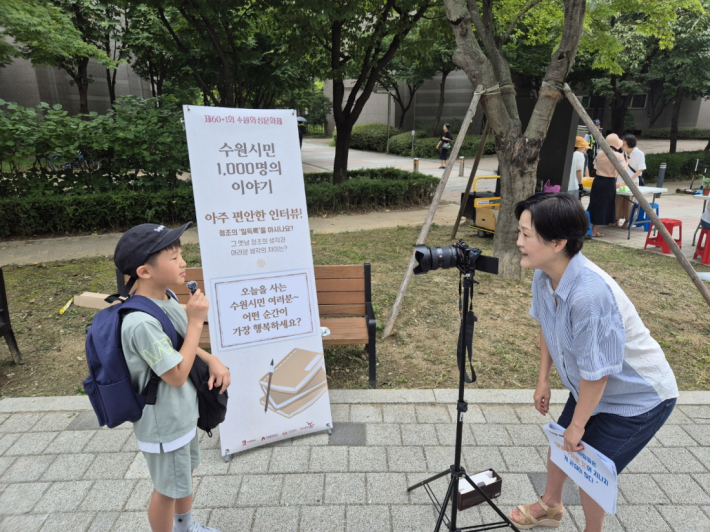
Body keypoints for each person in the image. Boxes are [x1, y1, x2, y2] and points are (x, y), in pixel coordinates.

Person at [510, 193, 678, 531]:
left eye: (527, 235)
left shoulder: (589, 295)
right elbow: (546, 323)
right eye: (520, 232)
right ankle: (551, 505)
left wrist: (578, 425)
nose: (518, 242)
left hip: (638, 398)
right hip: (593, 385)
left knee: (591, 471)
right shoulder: (544, 275)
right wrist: (544, 379)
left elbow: (598, 374)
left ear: (557, 242)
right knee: (560, 443)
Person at [114, 222, 231, 532]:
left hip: (181, 413)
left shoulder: (165, 297)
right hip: (163, 422)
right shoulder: (140, 324)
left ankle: (185, 527)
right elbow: (177, 375)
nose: (183, 263)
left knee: (183, 476)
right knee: (166, 489)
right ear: (145, 272)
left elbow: (180, 345)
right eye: (174, 257)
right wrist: (196, 322)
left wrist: (212, 358)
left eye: (182, 255)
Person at [586, 133, 626, 237]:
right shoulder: (618, 155)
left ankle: (588, 227)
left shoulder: (599, 153)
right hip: (609, 182)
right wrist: (627, 162)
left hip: (598, 180)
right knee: (603, 205)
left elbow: (595, 166)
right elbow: (622, 170)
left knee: (594, 203)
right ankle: (594, 230)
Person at [616, 134, 647, 229]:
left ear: (630, 144)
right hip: (620, 181)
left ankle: (628, 220)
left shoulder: (639, 154)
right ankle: (616, 219)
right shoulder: (622, 154)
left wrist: (630, 179)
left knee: (630, 202)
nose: (622, 146)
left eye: (624, 144)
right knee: (618, 200)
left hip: (633, 182)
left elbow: (640, 169)